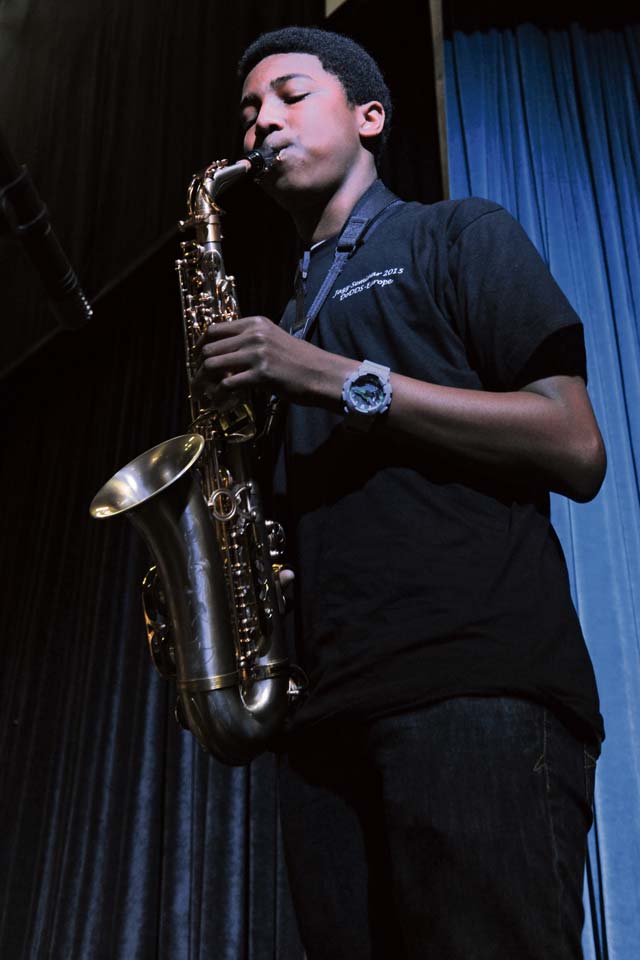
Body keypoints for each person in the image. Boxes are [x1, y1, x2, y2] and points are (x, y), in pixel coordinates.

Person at [193, 26, 607, 960]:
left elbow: (575, 444)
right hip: (325, 716)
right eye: (250, 109)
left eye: (291, 96)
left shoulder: (458, 233)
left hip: (471, 689)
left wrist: (336, 378)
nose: (262, 122)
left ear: (370, 116)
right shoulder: (286, 319)